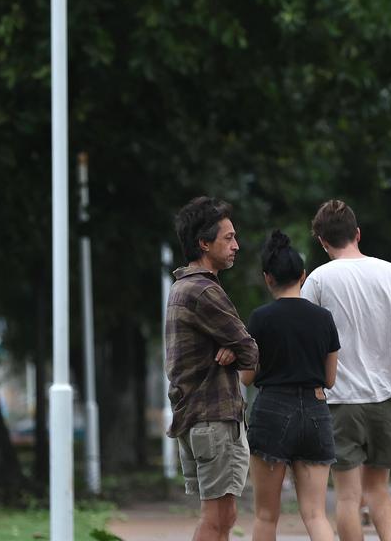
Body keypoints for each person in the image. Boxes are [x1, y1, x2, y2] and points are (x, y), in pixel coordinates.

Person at [303, 199, 391, 541]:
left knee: (348, 496)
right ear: (357, 233)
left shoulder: (318, 281)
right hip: (387, 400)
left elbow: (307, 342)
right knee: (379, 492)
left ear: (322, 241)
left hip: (339, 401)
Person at [166, 196, 259, 541]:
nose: (236, 246)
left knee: (225, 514)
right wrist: (236, 351)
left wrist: (231, 349)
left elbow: (238, 347)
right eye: (228, 238)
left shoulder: (181, 287)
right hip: (213, 417)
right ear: (204, 243)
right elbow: (250, 350)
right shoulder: (205, 291)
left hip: (199, 418)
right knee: (215, 518)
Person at [240, 229, 340, 541]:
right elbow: (331, 379)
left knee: (266, 516)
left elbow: (247, 377)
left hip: (271, 410)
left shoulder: (259, 318)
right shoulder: (323, 318)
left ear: (267, 278)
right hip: (315, 409)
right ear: (303, 275)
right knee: (315, 514)